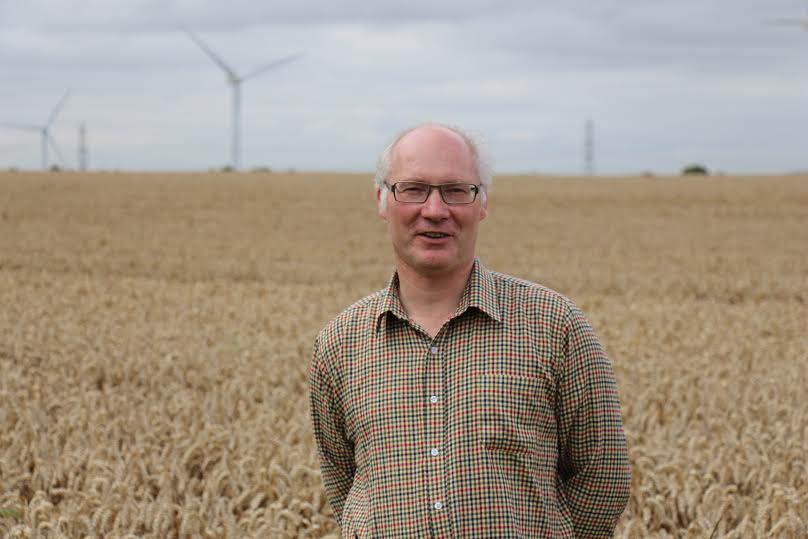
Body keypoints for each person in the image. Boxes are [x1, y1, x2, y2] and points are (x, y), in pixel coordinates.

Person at [310, 123, 631, 538]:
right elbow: (343, 482)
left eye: (456, 190)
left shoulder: (555, 325)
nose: (435, 210)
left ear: (482, 202)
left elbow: (602, 477)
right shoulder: (340, 343)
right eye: (413, 189)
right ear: (382, 200)